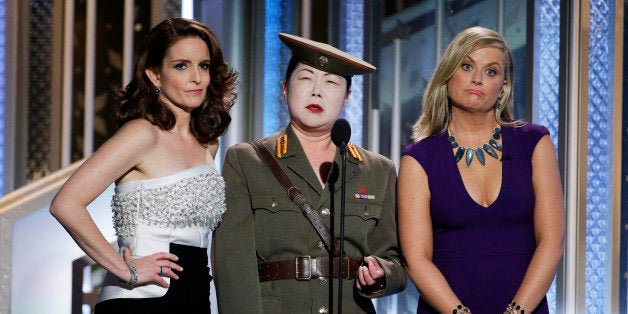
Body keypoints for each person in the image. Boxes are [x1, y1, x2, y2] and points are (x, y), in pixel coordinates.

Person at [50, 17, 237, 312]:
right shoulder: (142, 133)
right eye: (181, 66)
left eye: (203, 65)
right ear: (154, 76)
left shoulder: (207, 144)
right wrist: (127, 270)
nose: (197, 78)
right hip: (141, 299)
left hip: (196, 298)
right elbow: (66, 203)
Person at [213, 33, 406, 313]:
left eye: (331, 83)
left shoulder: (379, 170)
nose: (317, 91)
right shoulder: (246, 160)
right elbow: (232, 265)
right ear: (285, 89)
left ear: (348, 97)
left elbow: (396, 261)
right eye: (305, 78)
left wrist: (381, 276)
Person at [397, 26, 565, 314]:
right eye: (467, 66)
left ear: (504, 86)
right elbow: (416, 259)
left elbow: (551, 241)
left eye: (491, 71)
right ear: (448, 74)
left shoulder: (535, 142)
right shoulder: (418, 158)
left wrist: (516, 311)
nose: (477, 78)